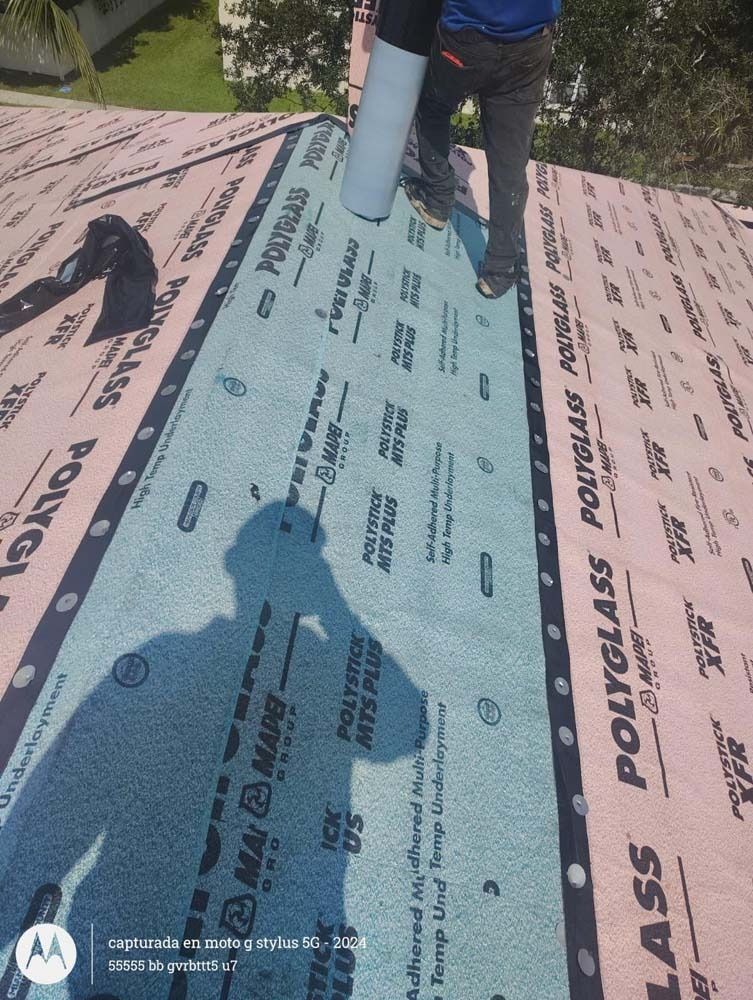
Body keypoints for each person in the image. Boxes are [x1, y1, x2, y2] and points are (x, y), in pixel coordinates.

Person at [404, 0, 561, 299]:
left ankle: (437, 199)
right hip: (530, 43)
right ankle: (499, 272)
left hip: (467, 37)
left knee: (433, 105)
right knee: (509, 159)